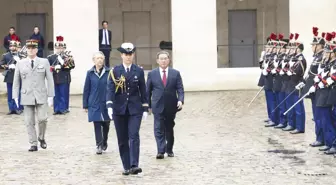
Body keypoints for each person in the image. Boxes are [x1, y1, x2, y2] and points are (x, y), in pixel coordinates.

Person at [106, 42, 149, 175]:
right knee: (122, 139)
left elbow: (143, 90)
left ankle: (134, 164)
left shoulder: (139, 70)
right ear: (121, 55)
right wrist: (109, 105)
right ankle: (126, 166)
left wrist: (145, 107)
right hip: (119, 109)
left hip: (135, 109)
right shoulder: (115, 71)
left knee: (134, 135)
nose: (128, 57)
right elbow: (110, 89)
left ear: (133, 55)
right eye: (126, 54)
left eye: (130, 54)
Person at [12, 39, 54, 152]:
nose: (31, 50)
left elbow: (50, 79)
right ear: (26, 49)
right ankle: (33, 143)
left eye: (33, 48)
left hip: (41, 94)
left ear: (36, 49)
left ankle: (41, 137)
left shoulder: (44, 61)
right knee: (29, 121)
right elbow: (16, 80)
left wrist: (51, 95)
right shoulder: (20, 63)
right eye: (29, 48)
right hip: (27, 95)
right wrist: (15, 95)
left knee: (43, 119)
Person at [146, 50, 184, 159]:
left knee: (169, 128)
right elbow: (148, 91)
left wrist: (180, 100)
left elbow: (180, 89)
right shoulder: (152, 74)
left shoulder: (175, 73)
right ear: (157, 61)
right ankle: (160, 151)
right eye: (161, 59)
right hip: (157, 105)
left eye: (165, 58)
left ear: (169, 60)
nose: (163, 61)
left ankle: (169, 148)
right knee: (158, 128)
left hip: (171, 105)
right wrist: (147, 106)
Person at [300, 27, 325, 146]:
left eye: (314, 45)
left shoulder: (322, 57)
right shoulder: (316, 57)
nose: (312, 47)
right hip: (312, 88)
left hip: (319, 89)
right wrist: (305, 82)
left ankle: (322, 139)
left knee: (320, 116)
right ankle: (319, 137)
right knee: (316, 115)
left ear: (319, 46)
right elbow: (311, 73)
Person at [83, 51, 111, 155]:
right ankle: (99, 145)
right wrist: (85, 104)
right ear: (93, 60)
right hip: (94, 101)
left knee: (106, 123)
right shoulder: (90, 73)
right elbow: (86, 89)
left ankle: (104, 141)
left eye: (101, 58)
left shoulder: (109, 72)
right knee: (97, 123)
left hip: (106, 101)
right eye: (97, 58)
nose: (99, 60)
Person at [282, 33, 307, 134]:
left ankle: (300, 127)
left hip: (296, 84)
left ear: (298, 49)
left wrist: (290, 71)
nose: (291, 50)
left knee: (297, 107)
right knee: (290, 105)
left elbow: (299, 72)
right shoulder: (293, 58)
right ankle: (291, 124)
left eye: (293, 48)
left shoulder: (301, 59)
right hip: (289, 84)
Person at [47, 36, 72, 115]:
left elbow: (71, 66)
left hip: (64, 77)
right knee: (56, 94)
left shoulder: (68, 57)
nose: (59, 49)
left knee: (63, 94)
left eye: (61, 48)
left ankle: (63, 108)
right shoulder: (51, 57)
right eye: (57, 48)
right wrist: (53, 67)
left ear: (64, 48)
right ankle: (56, 109)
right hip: (55, 77)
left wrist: (63, 64)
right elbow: (48, 67)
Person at [0, 37, 23, 115]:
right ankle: (11, 109)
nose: (13, 47)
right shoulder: (6, 55)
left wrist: (18, 61)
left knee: (17, 93)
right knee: (10, 94)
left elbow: (24, 65)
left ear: (16, 47)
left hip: (17, 76)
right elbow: (1, 64)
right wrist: (8, 66)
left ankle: (17, 108)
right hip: (9, 76)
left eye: (14, 46)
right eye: (11, 46)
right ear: (9, 47)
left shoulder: (20, 55)